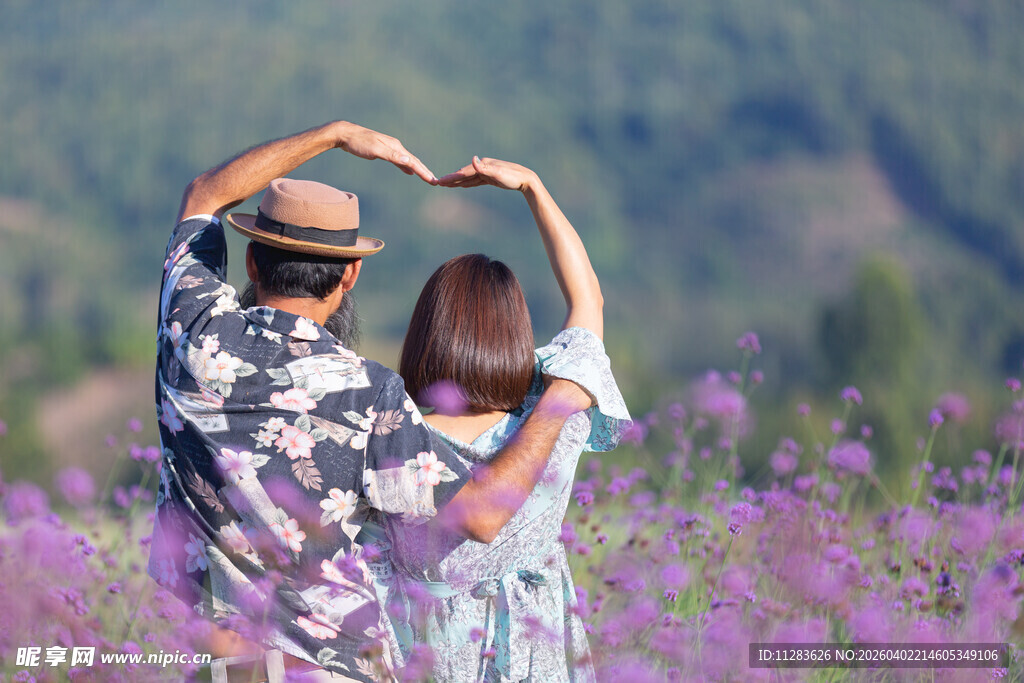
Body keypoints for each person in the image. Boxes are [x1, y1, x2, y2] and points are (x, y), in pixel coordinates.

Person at [148, 122, 594, 682]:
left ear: (252, 264)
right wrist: (561, 400)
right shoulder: (369, 394)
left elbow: (204, 194)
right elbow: (482, 514)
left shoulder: (191, 331)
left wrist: (333, 135)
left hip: (214, 663)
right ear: (350, 275)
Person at [383, 156, 630, 681]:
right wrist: (533, 189)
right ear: (516, 337)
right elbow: (589, 300)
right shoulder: (556, 415)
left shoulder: (394, 438)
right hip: (537, 659)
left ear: (427, 334)